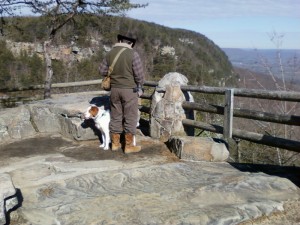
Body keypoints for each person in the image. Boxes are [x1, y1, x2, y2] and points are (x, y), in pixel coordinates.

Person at [99, 34, 145, 153]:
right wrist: (140, 86)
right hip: (129, 90)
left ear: (119, 40)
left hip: (114, 90)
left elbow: (102, 70)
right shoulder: (133, 54)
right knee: (130, 117)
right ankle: (128, 146)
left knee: (116, 116)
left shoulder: (110, 53)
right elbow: (139, 75)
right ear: (131, 43)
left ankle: (115, 144)